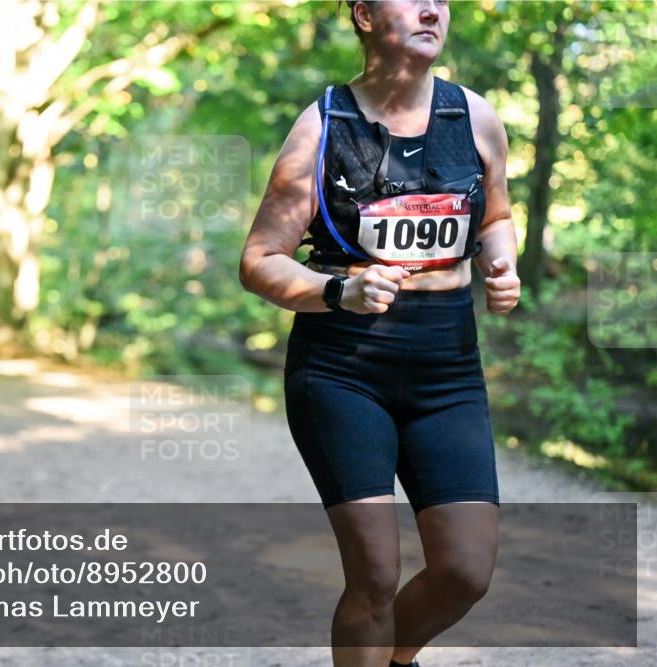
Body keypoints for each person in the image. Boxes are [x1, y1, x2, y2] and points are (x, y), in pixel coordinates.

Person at [238, 2, 521, 667]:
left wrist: (501, 263)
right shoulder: (323, 126)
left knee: (465, 570)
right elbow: (259, 260)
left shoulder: (474, 117)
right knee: (375, 576)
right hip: (343, 367)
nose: (432, 9)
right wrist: (338, 290)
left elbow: (496, 215)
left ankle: (396, 659)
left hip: (448, 366)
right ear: (364, 14)